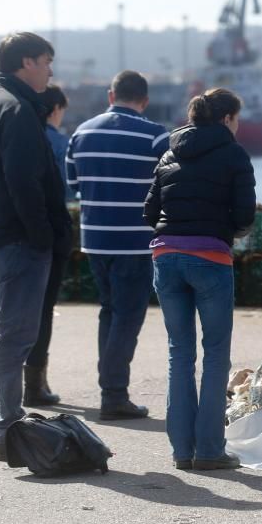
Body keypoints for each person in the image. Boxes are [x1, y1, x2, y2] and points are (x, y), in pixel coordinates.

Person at [0, 32, 72, 461]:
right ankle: (7, 426)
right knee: (15, 336)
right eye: (46, 61)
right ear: (26, 62)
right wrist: (43, 237)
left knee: (3, 334)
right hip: (19, 241)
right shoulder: (16, 111)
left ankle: (5, 421)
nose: (50, 71)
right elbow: (23, 182)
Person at [144, 88, 256, 470]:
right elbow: (244, 215)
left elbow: (150, 210)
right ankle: (209, 451)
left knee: (180, 354)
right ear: (226, 118)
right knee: (215, 356)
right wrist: (222, 227)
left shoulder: (169, 152)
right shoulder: (234, 153)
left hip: (166, 256)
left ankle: (181, 451)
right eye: (236, 119)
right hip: (210, 258)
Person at [66, 70, 169, 420]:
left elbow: (73, 185)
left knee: (109, 311)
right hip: (135, 241)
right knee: (128, 315)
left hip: (94, 239)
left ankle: (111, 389)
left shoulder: (80, 132)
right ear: (145, 100)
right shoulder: (156, 137)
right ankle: (113, 394)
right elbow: (168, 187)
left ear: (111, 96)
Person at [24, 84, 72, 406]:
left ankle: (13, 382)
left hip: (19, 233)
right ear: (55, 109)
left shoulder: (23, 136)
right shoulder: (59, 143)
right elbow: (68, 189)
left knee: (17, 310)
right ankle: (36, 383)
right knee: (44, 310)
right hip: (53, 232)